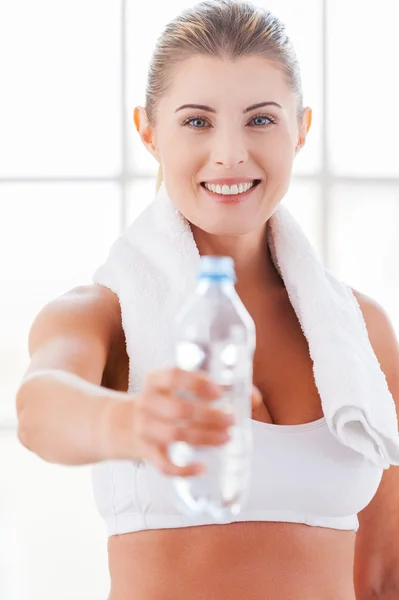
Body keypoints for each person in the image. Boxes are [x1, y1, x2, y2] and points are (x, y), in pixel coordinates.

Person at [16, 1, 399, 598]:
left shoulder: (361, 329)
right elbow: (41, 411)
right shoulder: (103, 312)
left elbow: (382, 573)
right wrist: (131, 421)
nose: (230, 153)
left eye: (261, 120)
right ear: (148, 130)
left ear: (301, 129)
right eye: (197, 121)